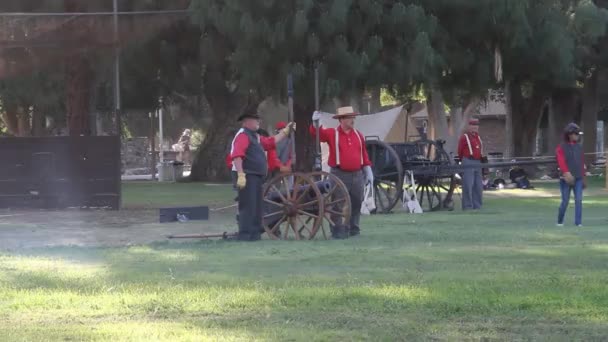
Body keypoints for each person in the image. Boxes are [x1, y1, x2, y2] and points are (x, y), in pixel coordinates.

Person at [229, 111, 294, 241]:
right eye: (255, 120)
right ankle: (246, 234)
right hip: (247, 175)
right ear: (247, 121)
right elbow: (237, 155)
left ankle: (254, 234)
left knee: (256, 205)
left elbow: (270, 142)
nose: (258, 122)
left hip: (256, 176)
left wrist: (285, 132)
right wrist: (241, 175)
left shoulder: (255, 136)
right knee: (248, 206)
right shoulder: (243, 135)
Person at [310, 106, 373, 239]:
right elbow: (318, 134)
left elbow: (364, 154)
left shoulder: (358, 135)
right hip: (339, 173)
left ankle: (353, 229)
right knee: (337, 203)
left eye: (353, 117)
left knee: (357, 202)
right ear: (342, 120)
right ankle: (337, 229)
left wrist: (368, 170)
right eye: (350, 117)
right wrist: (315, 123)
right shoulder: (333, 133)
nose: (353, 120)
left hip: (357, 174)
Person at [555, 123, 586, 227]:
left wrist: (583, 177)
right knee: (565, 201)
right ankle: (560, 221)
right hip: (565, 179)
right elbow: (561, 161)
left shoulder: (579, 147)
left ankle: (578, 223)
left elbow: (581, 163)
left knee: (579, 200)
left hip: (578, 178)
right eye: (576, 133)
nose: (577, 136)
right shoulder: (561, 147)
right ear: (569, 134)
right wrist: (566, 173)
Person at [457, 118, 484, 210]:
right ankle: (467, 206)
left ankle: (477, 206)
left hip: (478, 162)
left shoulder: (478, 137)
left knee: (478, 186)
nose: (475, 127)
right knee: (468, 185)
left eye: (476, 125)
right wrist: (463, 161)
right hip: (468, 161)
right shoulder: (465, 137)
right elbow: (460, 150)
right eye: (472, 125)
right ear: (469, 127)